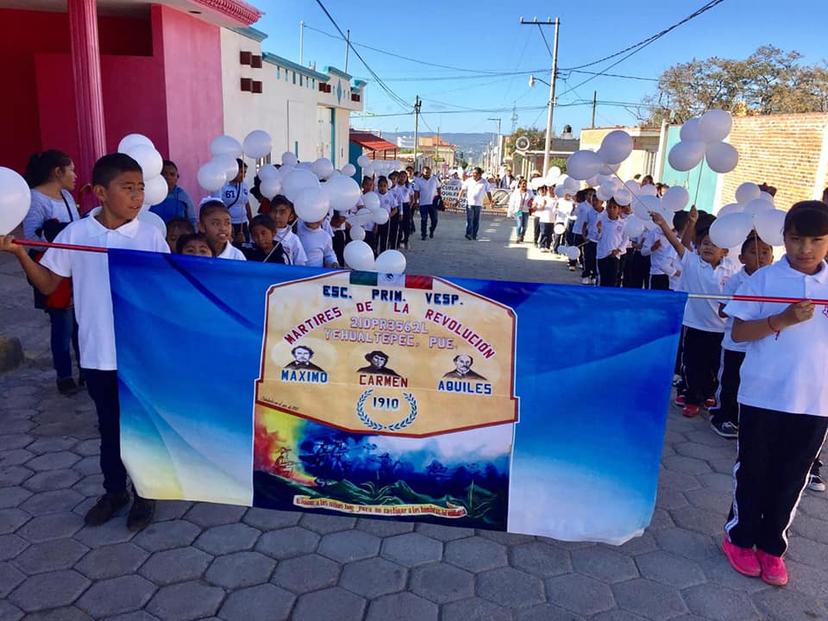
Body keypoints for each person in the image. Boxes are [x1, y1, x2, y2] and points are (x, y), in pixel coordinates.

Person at [0, 152, 170, 531]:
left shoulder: (149, 236)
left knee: (140, 429)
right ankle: (114, 492)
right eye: (128, 188)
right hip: (97, 354)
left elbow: (169, 292)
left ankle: (146, 493)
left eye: (141, 188)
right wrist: (20, 253)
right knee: (109, 429)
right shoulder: (77, 236)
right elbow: (48, 285)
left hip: (140, 355)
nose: (137, 197)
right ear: (99, 192)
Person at [720, 201, 828, 587]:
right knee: (753, 471)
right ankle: (739, 537)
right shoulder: (763, 280)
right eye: (797, 240)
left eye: (816, 240)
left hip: (816, 402)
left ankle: (771, 546)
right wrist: (782, 320)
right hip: (762, 396)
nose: (806, 249)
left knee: (791, 477)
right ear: (783, 239)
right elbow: (738, 333)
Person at [652, 207, 738, 418]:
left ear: (725, 251)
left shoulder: (732, 270)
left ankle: (707, 393)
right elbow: (677, 243)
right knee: (692, 364)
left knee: (714, 364)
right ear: (698, 247)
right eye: (705, 243)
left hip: (720, 328)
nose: (708, 247)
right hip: (695, 325)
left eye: (714, 245)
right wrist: (664, 224)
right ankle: (691, 398)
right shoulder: (691, 262)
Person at [22, 149, 82, 395]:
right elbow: (30, 238)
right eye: (71, 170)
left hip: (75, 267)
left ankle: (86, 371)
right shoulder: (36, 199)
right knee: (62, 325)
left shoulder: (67, 196)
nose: (75, 175)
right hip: (53, 270)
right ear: (58, 172)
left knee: (80, 323)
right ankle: (64, 375)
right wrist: (55, 236)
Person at [709, 233, 774, 439]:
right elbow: (723, 310)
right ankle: (722, 416)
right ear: (742, 258)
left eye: (765, 253)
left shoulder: (773, 281)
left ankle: (743, 418)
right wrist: (743, 303)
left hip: (760, 344)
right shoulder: (735, 280)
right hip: (735, 344)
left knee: (752, 383)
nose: (761, 257)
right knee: (731, 381)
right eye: (754, 252)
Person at [215, 158, 252, 243]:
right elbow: (218, 206)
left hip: (243, 222)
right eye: (241, 172)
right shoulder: (222, 185)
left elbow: (246, 203)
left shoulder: (244, 186)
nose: (243, 175)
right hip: (229, 223)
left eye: (245, 172)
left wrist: (251, 220)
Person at [150, 160, 196, 225]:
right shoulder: (149, 194)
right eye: (164, 174)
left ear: (177, 177)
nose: (168, 177)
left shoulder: (183, 196)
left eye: (172, 174)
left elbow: (192, 219)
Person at [596, 199, 628, 287]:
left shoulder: (623, 223)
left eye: (614, 207)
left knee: (613, 279)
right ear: (606, 208)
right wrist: (599, 230)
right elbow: (596, 237)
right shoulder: (601, 220)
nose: (612, 210)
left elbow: (625, 239)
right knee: (602, 278)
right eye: (609, 207)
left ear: (619, 210)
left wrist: (618, 250)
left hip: (615, 255)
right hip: (602, 254)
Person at [641, 219, 680, 290]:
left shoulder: (678, 233)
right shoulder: (654, 233)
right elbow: (643, 252)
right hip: (657, 273)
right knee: (655, 299)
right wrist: (653, 248)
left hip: (672, 276)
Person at [270, 196, 308, 266]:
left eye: (282, 212)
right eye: (274, 211)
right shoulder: (262, 234)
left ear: (291, 217)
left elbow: (300, 264)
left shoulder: (294, 239)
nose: (277, 216)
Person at [457, 167, 493, 241]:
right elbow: (462, 190)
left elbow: (488, 192)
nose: (474, 175)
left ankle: (474, 235)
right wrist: (458, 200)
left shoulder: (485, 182)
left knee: (476, 220)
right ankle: (468, 234)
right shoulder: (468, 181)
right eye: (473, 173)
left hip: (479, 204)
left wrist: (491, 202)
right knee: (469, 219)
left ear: (480, 174)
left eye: (475, 173)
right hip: (469, 203)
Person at [582, 192, 604, 285]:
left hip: (600, 241)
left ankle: (594, 275)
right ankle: (586, 275)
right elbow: (584, 225)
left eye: (596, 201)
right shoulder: (589, 212)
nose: (594, 202)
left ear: (602, 202)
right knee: (588, 258)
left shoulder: (606, 213)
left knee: (596, 259)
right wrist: (584, 236)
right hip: (590, 239)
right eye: (593, 200)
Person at [413, 166, 441, 240]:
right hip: (423, 203)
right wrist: (416, 202)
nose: (427, 174)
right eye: (426, 172)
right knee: (424, 219)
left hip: (433, 203)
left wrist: (439, 197)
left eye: (429, 172)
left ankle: (431, 230)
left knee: (435, 220)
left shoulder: (434, 179)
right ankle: (423, 234)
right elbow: (416, 192)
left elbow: (439, 187)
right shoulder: (418, 181)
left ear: (431, 172)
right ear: (423, 172)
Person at [507, 179, 533, 243]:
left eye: (525, 184)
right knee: (519, 225)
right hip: (518, 211)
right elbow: (512, 202)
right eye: (523, 184)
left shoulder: (530, 192)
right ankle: (518, 236)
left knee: (525, 226)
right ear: (519, 184)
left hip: (526, 211)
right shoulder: (516, 192)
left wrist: (532, 202)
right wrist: (510, 212)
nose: (524, 185)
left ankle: (522, 235)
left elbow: (533, 199)